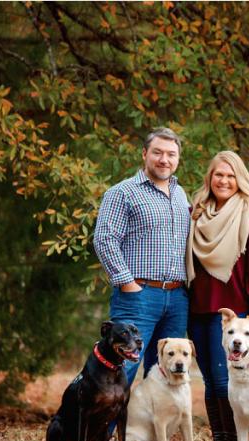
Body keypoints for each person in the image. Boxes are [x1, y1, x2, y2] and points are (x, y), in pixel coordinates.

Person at [186, 150, 249, 441]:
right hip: (198, 310)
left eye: (230, 175)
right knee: (210, 381)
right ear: (209, 178)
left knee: (225, 383)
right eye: (218, 174)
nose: (224, 180)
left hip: (235, 316)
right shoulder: (198, 213)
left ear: (240, 179)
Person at [94, 127, 190, 385]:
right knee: (119, 372)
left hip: (177, 298)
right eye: (157, 152)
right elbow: (105, 239)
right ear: (145, 154)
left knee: (164, 376)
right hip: (138, 295)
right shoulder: (122, 192)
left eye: (171, 154)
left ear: (178, 158)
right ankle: (100, 428)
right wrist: (128, 284)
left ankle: (149, 428)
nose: (164, 159)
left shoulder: (181, 195)